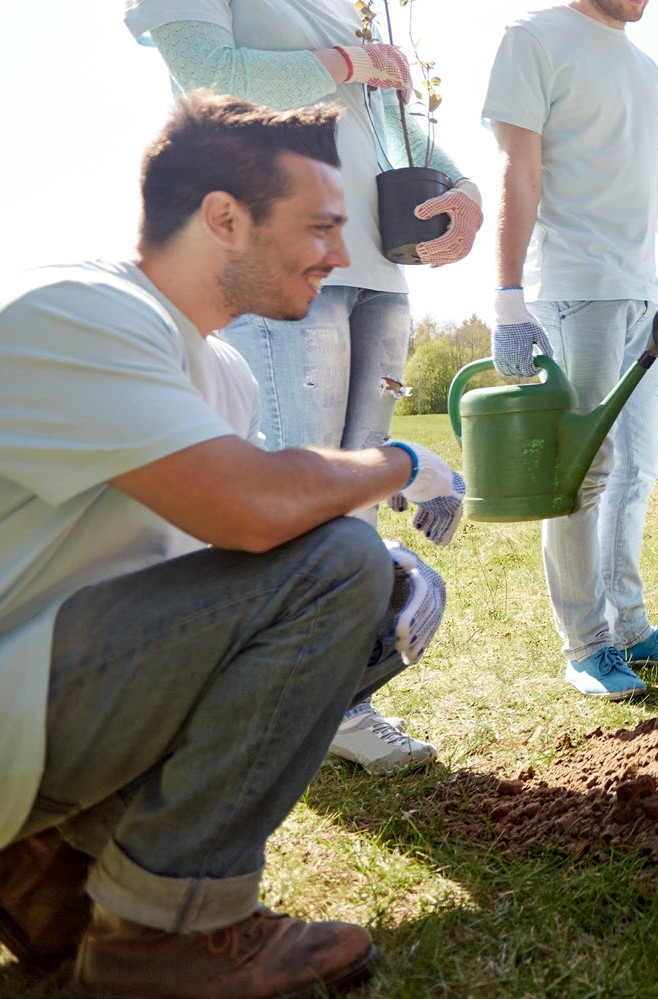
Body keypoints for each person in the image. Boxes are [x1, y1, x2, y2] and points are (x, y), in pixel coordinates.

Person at [0, 93, 465, 998]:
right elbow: (254, 510)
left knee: (353, 583)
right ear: (223, 217)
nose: (340, 251)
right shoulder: (81, 309)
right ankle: (166, 933)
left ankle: (47, 867)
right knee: (339, 568)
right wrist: (397, 460)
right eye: (322, 225)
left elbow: (221, 561)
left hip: (44, 692)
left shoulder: (225, 372)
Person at [125, 0, 484, 773]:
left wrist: (459, 183)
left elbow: (376, 114)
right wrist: (350, 63)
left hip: (376, 260)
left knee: (348, 496)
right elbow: (208, 78)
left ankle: (333, 701)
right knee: (293, 484)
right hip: (275, 256)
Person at [483, 0, 658, 701]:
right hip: (572, 289)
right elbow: (516, 171)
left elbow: (655, 181)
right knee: (584, 469)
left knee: (639, 465)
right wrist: (506, 294)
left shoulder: (644, 68)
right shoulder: (532, 39)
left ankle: (632, 626)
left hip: (640, 297)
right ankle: (587, 644)